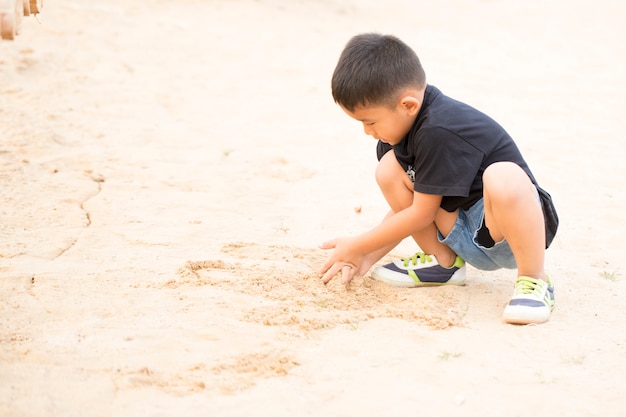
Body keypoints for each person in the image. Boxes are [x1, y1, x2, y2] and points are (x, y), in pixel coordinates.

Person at [319, 33, 559, 325]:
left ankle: (535, 280)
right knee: (388, 169)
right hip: (459, 231)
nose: (367, 131)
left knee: (503, 175)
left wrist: (357, 244)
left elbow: (421, 214)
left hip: (509, 230)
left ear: (408, 105)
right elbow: (409, 209)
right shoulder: (396, 135)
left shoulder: (439, 128)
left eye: (370, 121)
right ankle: (445, 264)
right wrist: (366, 257)